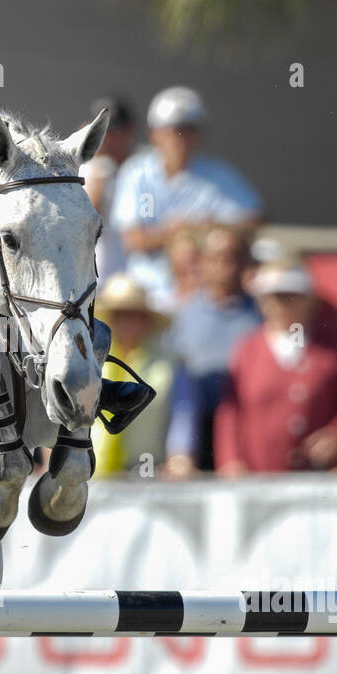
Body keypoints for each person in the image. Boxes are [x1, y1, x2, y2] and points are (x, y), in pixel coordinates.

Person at [112, 86, 263, 309]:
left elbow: (254, 219)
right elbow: (133, 240)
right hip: (146, 297)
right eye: (174, 130)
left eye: (189, 130)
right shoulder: (136, 173)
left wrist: (199, 229)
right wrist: (179, 234)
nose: (181, 138)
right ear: (154, 133)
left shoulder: (219, 173)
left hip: (207, 300)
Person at [215, 263, 337, 475]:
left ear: (309, 301)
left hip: (316, 475)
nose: (281, 305)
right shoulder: (248, 349)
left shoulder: (331, 350)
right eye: (273, 297)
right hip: (255, 474)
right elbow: (230, 411)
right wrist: (230, 460)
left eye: (290, 296)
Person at [169, 226, 261, 470]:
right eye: (215, 259)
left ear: (244, 263)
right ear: (201, 263)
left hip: (245, 439)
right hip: (190, 439)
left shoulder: (262, 317)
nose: (224, 266)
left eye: (232, 258)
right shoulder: (180, 316)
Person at [91, 273, 198, 477]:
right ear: (111, 320)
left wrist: (180, 456)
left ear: (147, 319)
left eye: (135, 315)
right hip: (93, 468)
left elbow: (182, 413)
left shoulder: (170, 363)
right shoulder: (89, 360)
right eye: (120, 315)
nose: (128, 322)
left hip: (146, 467)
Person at [81, 95, 136, 281]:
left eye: (113, 132)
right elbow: (85, 226)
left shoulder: (144, 171)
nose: (106, 139)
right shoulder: (79, 171)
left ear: (129, 131)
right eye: (100, 131)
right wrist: (98, 175)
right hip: (93, 283)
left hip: (137, 283)